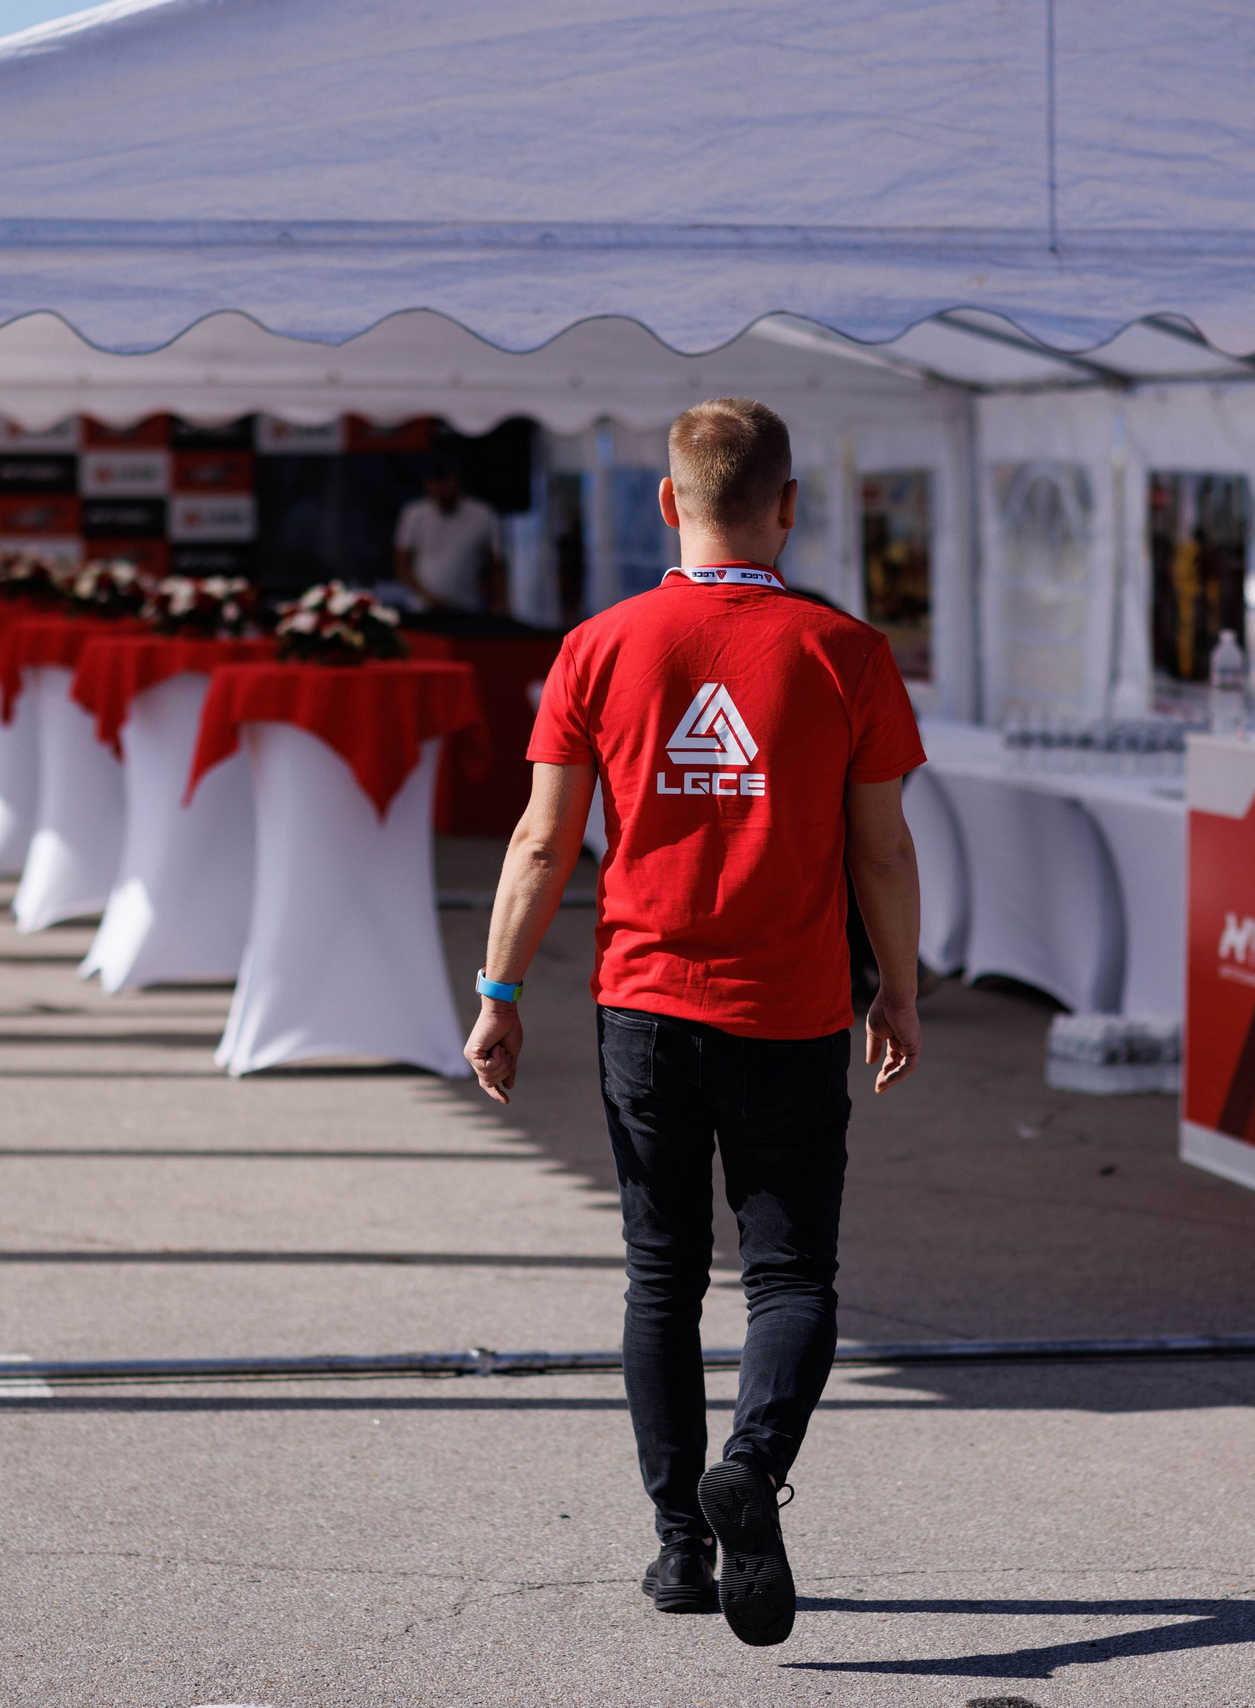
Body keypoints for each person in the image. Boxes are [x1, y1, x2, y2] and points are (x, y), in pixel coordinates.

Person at [463, 397, 925, 1648]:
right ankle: (752, 1462)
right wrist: (900, 986)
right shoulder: (846, 651)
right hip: (786, 1011)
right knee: (789, 1273)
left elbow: (542, 838)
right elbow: (881, 851)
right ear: (789, 505)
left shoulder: (599, 645)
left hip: (644, 1009)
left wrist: (499, 994)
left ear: (667, 502)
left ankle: (679, 1546)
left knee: (660, 1278)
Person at [392, 467, 502, 613]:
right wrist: (427, 597)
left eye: (446, 482)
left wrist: (501, 601)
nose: (442, 489)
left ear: (457, 483)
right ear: (428, 484)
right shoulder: (414, 514)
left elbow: (496, 565)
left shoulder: (482, 514)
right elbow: (402, 564)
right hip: (423, 608)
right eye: (436, 483)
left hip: (468, 607)